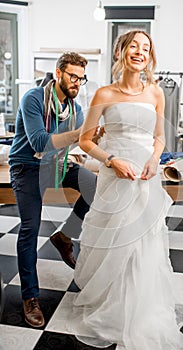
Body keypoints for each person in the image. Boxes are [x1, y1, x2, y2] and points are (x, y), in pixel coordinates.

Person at [67, 31, 183, 349]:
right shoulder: (104, 95)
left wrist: (154, 159)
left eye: (146, 48)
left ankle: (141, 310)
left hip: (146, 176)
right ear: (121, 52)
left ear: (150, 57)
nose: (140, 52)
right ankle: (112, 305)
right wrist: (111, 160)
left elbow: (160, 137)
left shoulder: (156, 93)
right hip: (115, 175)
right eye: (134, 46)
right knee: (116, 240)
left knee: (144, 244)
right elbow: (85, 141)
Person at [8, 52, 97, 328]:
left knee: (95, 186)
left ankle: (64, 236)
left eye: (82, 78)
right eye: (73, 76)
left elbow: (78, 144)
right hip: (27, 166)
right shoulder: (33, 98)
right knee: (29, 230)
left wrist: (97, 140)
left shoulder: (76, 108)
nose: (77, 83)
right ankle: (30, 297)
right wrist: (80, 134)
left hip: (56, 164)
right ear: (59, 73)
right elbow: (38, 141)